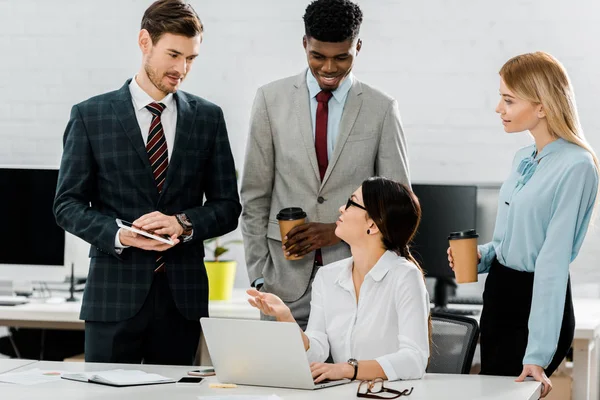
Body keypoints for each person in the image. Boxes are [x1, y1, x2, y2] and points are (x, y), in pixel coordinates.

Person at [53, 0, 241, 365]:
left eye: (191, 58)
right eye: (173, 54)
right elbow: (67, 205)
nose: (181, 68)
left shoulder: (208, 118)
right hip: (113, 296)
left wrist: (182, 224)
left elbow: (227, 207)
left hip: (181, 299)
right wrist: (120, 234)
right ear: (144, 42)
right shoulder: (90, 116)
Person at [240, 0, 410, 329]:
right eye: (318, 56)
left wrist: (337, 232)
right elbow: (254, 196)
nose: (329, 68)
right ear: (305, 44)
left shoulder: (382, 108)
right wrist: (261, 277)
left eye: (341, 57)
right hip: (283, 285)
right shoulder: (269, 100)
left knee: (349, 375)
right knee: (282, 377)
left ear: (358, 47)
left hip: (358, 280)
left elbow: (397, 203)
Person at [448, 52, 598, 398]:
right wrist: (480, 256)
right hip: (499, 296)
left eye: (508, 100)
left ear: (542, 106)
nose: (498, 108)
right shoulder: (522, 159)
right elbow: (506, 241)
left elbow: (552, 262)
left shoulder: (577, 166)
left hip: (535, 303)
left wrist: (538, 352)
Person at [247, 177, 430, 383]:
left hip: (390, 395)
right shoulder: (327, 277)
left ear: (372, 224)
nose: (342, 208)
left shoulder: (405, 276)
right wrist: (285, 316)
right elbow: (317, 351)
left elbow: (414, 359)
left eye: (352, 202)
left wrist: (347, 369)